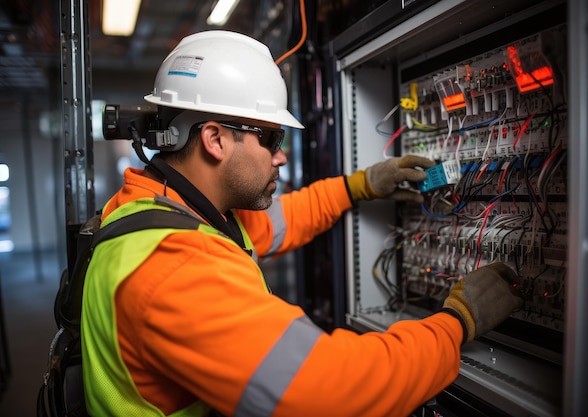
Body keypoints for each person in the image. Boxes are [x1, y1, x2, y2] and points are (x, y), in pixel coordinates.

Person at [81, 30, 523, 417]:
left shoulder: (161, 209)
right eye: (271, 138)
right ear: (214, 139)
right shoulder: (175, 268)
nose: (281, 156)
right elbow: (335, 391)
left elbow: (285, 219)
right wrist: (457, 322)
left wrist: (361, 185)